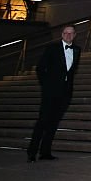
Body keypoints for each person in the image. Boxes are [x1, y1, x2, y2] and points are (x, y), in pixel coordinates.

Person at [27, 25, 81, 162]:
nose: (68, 35)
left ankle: (45, 152)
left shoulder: (77, 50)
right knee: (42, 121)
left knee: (54, 123)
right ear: (62, 34)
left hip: (65, 93)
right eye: (65, 33)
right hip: (50, 91)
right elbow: (40, 68)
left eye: (71, 33)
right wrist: (46, 86)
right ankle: (32, 152)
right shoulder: (52, 48)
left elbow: (71, 72)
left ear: (75, 35)